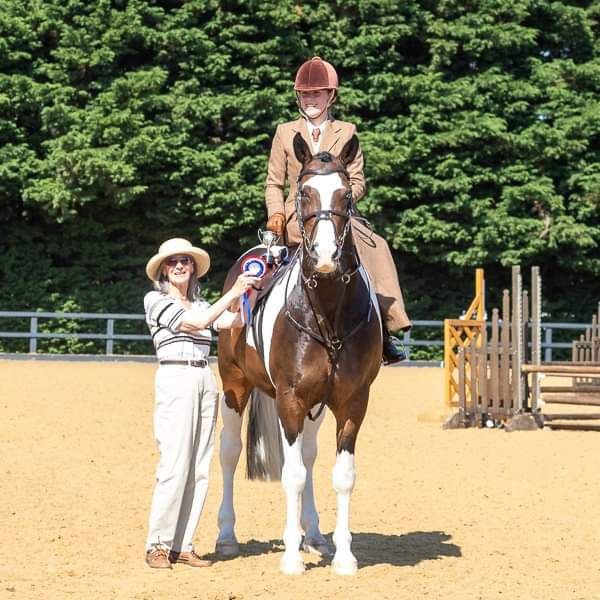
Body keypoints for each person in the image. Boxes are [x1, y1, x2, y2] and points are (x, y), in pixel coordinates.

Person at [264, 56, 411, 363]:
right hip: (299, 215)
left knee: (378, 246)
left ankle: (388, 326)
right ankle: (244, 329)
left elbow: (358, 181)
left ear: (330, 95)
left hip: (340, 212)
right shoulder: (284, 132)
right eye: (305, 94)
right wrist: (276, 213)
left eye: (316, 93)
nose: (310, 100)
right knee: (259, 266)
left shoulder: (347, 130)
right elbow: (273, 182)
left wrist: (340, 199)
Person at [143, 237, 258, 569]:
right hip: (176, 377)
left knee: (199, 468)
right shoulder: (156, 300)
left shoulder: (201, 303)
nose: (180, 265)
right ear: (163, 270)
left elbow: (231, 322)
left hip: (203, 379)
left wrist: (248, 295)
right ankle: (158, 544)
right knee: (174, 465)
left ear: (193, 268)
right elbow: (197, 323)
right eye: (173, 261)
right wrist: (234, 292)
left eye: (185, 261)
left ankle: (183, 544)